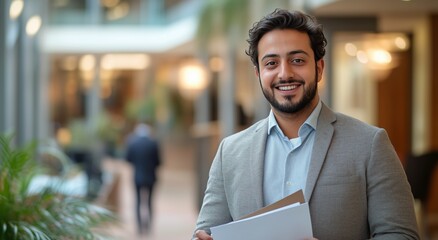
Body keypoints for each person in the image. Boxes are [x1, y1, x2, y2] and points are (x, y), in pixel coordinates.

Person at [193, 8, 419, 240]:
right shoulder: (229, 152)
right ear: (258, 74)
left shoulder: (370, 143)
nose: (285, 73)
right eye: (271, 63)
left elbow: (401, 235)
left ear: (319, 68)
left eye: (297, 60)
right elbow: (204, 232)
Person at [125, 122, 161, 234]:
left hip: (137, 176)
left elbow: (128, 159)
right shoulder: (153, 143)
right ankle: (149, 226)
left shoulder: (132, 142)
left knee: (138, 201)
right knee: (150, 202)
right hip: (151, 176)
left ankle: (139, 227)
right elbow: (159, 162)